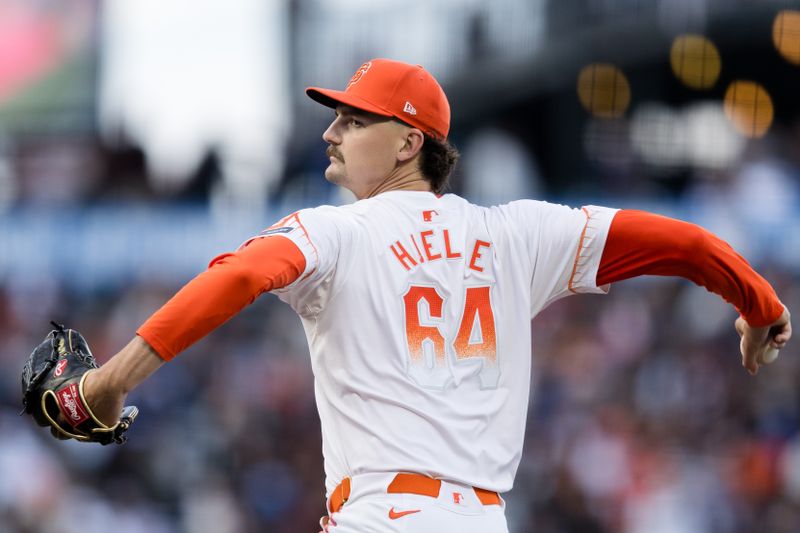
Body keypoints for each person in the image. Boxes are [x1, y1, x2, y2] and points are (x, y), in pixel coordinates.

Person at [76, 58, 790, 532]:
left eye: (353, 121)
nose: (330, 132)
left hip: (381, 515)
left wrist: (108, 382)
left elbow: (235, 276)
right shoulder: (519, 234)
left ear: (408, 142)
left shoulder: (333, 234)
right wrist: (759, 305)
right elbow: (688, 244)